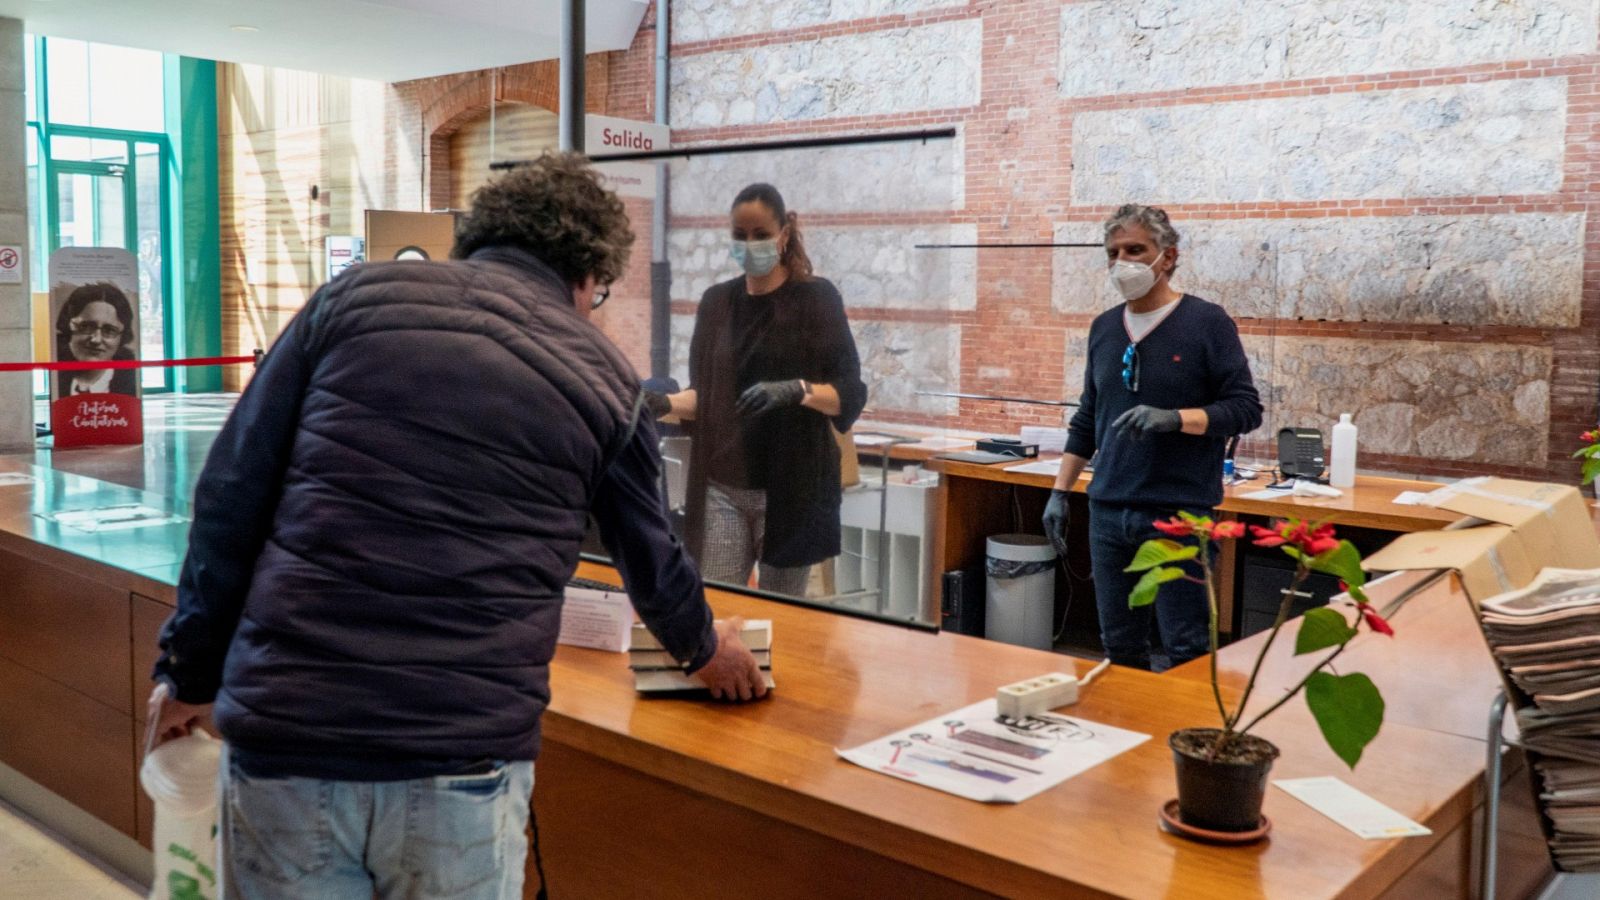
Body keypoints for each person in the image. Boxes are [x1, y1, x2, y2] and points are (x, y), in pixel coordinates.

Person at [145, 152, 767, 900]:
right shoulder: (606, 379)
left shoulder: (350, 302)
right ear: (585, 275)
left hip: (292, 731)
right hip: (460, 754)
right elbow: (653, 559)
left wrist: (187, 672)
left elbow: (231, 492)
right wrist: (709, 652)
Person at [1042, 204, 1262, 670]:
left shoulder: (1206, 323)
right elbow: (1088, 417)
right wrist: (1060, 493)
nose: (1124, 261)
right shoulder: (1104, 328)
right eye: (1114, 252)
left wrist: (1176, 418)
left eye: (1136, 249)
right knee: (1119, 647)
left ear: (1168, 256)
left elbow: (1245, 409)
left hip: (1178, 512)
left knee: (1187, 651)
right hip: (1107, 510)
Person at [647, 183, 867, 597]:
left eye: (761, 235)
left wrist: (797, 390)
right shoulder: (716, 303)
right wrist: (663, 403)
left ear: (783, 233)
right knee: (717, 609)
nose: (750, 245)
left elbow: (849, 394)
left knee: (780, 621)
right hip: (722, 486)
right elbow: (706, 397)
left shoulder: (816, 299)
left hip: (791, 490)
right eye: (740, 236)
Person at [53, 282, 139, 399]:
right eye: (86, 327)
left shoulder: (131, 386)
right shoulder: (55, 378)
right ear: (68, 326)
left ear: (122, 337)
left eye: (109, 330)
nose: (96, 339)